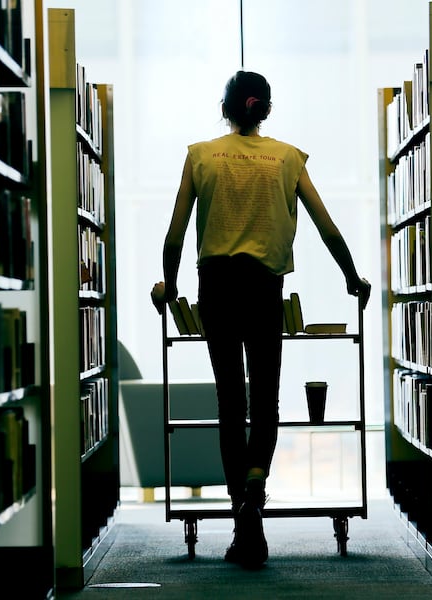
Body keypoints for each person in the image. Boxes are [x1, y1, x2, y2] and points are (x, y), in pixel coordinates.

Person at [151, 70, 371, 569]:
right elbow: (326, 226)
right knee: (266, 394)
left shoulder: (201, 154)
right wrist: (352, 278)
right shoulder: (288, 157)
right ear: (265, 109)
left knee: (231, 397)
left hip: (217, 285)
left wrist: (172, 285)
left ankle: (239, 515)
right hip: (263, 286)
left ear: (226, 107)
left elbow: (175, 234)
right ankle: (256, 489)